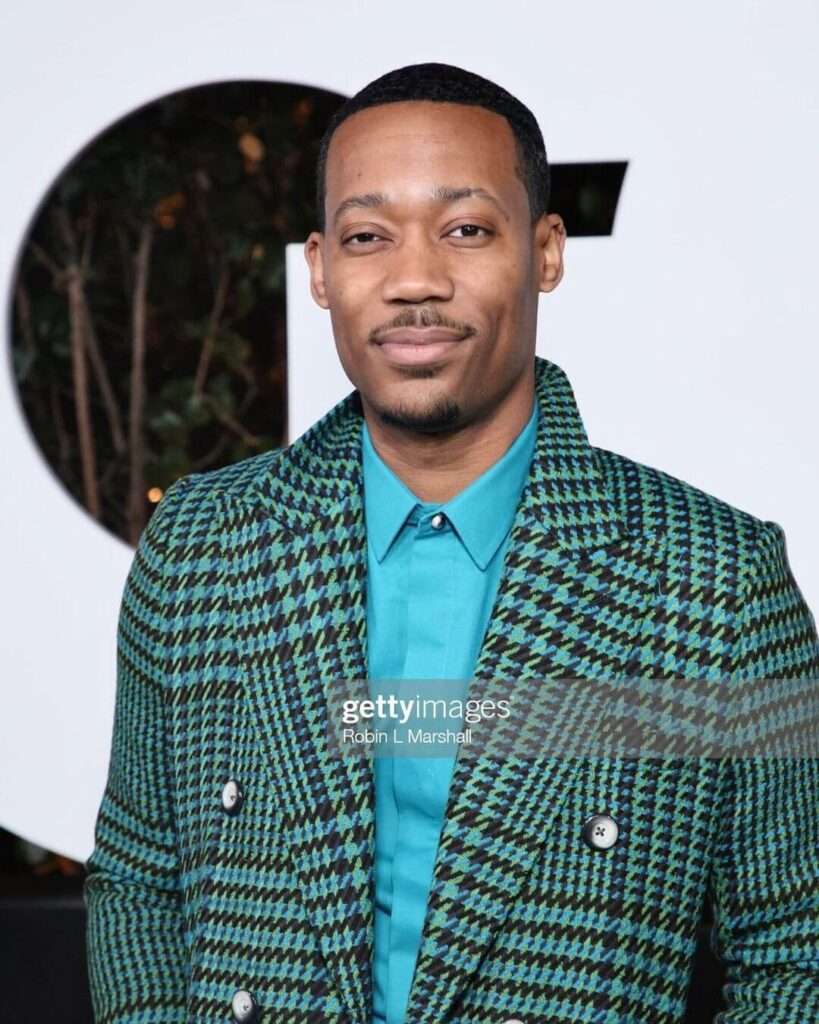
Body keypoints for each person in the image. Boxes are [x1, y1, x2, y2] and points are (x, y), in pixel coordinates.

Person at [84, 62, 819, 1024]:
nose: (415, 280)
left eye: (465, 229)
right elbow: (138, 882)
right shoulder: (203, 546)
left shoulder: (711, 578)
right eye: (366, 237)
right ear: (316, 268)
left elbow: (796, 951)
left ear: (545, 250)